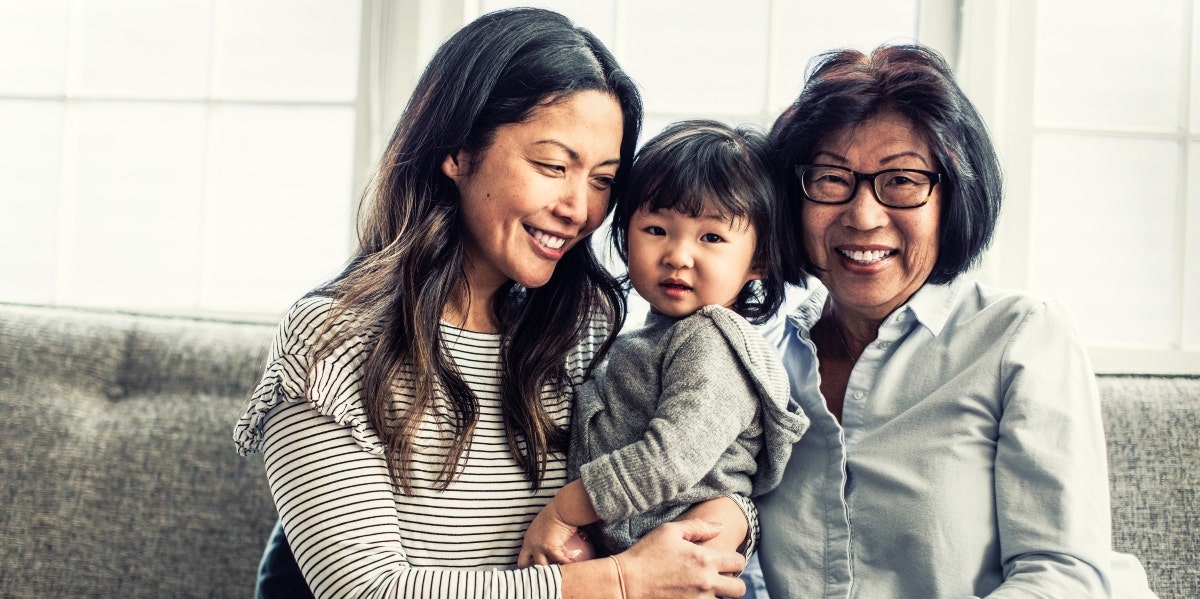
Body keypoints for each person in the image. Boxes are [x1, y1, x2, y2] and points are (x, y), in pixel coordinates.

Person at [232, 8, 748, 599]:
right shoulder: (332, 341)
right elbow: (364, 590)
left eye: (603, 180)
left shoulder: (583, 330)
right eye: (553, 166)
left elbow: (675, 474)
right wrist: (619, 579)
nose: (578, 208)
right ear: (458, 151)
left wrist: (733, 520)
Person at [754, 44, 1157, 598]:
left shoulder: (1021, 338)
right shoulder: (755, 357)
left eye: (902, 180)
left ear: (954, 196)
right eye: (829, 179)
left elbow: (1060, 576)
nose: (863, 216)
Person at [517, 120, 809, 566]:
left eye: (711, 237)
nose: (677, 255)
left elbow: (670, 460)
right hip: (630, 552)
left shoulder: (715, 342)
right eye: (656, 229)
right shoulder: (649, 336)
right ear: (625, 235)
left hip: (680, 561)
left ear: (761, 259)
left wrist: (563, 510)